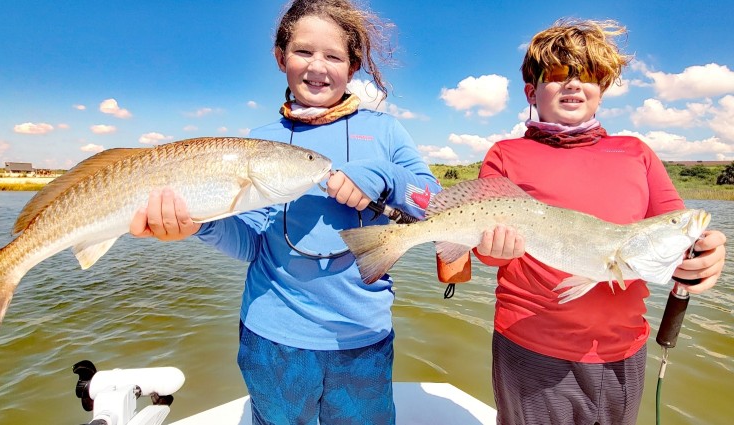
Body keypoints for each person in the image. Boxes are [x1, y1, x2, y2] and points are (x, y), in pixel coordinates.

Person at [130, 0, 439, 423]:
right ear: (280, 58)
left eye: (334, 56)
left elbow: (433, 203)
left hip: (363, 339)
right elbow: (251, 244)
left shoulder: (385, 130)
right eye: (303, 52)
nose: (318, 66)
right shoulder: (260, 141)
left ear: (352, 68)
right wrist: (199, 223)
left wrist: (386, 176)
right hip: (272, 340)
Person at [472, 18, 727, 425]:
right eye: (557, 75)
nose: (573, 84)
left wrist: (704, 254)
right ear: (531, 92)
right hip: (531, 348)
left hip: (624, 350)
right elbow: (489, 253)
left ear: (602, 89)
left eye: (588, 75)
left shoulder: (636, 153)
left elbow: (674, 234)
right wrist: (490, 250)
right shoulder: (506, 154)